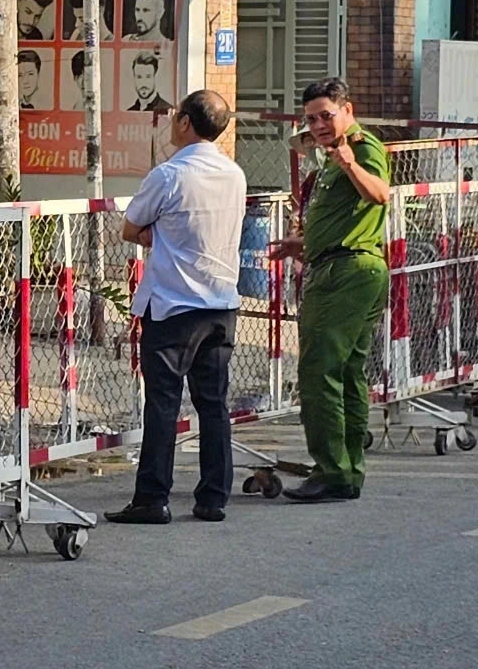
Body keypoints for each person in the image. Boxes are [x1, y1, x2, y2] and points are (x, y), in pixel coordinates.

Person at [105, 90, 247, 525]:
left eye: (175, 115)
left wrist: (159, 234)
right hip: (220, 303)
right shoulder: (234, 174)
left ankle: (152, 498)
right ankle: (214, 497)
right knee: (213, 403)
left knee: (163, 404)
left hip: (173, 306)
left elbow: (130, 228)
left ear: (185, 121)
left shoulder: (168, 175)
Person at [271, 77, 390, 504]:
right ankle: (347, 471)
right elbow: (346, 218)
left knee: (319, 371)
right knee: (347, 373)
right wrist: (302, 245)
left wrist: (350, 164)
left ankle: (331, 470)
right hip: (341, 265)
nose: (319, 125)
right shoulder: (332, 156)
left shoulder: (360, 148)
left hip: (346, 273)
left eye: (326, 116)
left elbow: (380, 194)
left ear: (347, 110)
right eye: (311, 119)